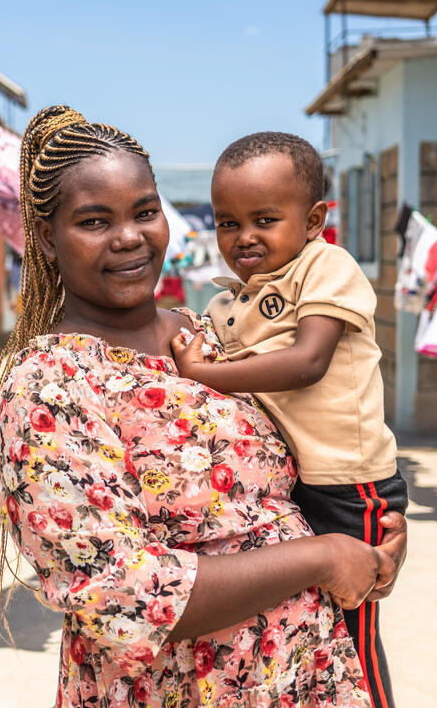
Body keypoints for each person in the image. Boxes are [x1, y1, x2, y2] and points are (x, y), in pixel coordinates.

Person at [0, 107, 407, 708]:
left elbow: (301, 460)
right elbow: (123, 596)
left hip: (310, 673)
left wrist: (369, 544)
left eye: (145, 211)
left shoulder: (213, 334)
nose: (129, 236)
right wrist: (324, 556)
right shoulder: (50, 385)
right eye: (95, 221)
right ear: (45, 236)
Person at [171, 132, 407, 708]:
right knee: (308, 637)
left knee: (355, 638)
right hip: (286, 491)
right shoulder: (225, 303)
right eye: (227, 223)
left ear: (313, 220)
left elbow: (307, 364)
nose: (244, 236)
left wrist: (202, 373)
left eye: (265, 219)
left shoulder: (327, 266)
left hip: (348, 484)